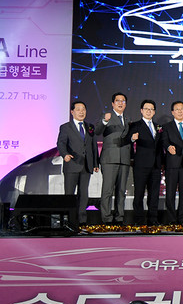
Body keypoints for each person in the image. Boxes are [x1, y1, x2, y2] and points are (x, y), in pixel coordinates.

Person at [57, 101, 99, 225]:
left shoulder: (90, 127)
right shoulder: (65, 127)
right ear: (72, 112)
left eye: (83, 109)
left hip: (86, 165)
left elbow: (93, 145)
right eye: (78, 109)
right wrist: (65, 154)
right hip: (72, 164)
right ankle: (68, 220)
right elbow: (61, 143)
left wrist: (95, 163)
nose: (81, 112)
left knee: (84, 194)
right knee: (69, 194)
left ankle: (82, 220)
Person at [95, 92, 131, 225]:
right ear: (112, 103)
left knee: (121, 191)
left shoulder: (127, 119)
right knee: (108, 190)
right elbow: (97, 131)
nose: (120, 103)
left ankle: (119, 217)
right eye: (118, 101)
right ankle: (106, 219)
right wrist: (104, 121)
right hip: (110, 159)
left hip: (124, 159)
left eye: (123, 101)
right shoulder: (106, 117)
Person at [126, 99, 163, 225]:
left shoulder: (158, 127)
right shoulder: (135, 125)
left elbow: (160, 146)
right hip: (141, 165)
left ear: (154, 112)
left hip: (156, 165)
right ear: (141, 111)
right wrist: (132, 138)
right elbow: (126, 140)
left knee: (154, 195)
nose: (149, 111)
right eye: (146, 109)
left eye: (151, 109)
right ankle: (139, 220)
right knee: (139, 193)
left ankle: (153, 219)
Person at [161, 101, 183, 225]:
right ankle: (171, 220)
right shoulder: (166, 127)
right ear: (172, 112)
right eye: (177, 109)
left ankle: (182, 219)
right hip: (172, 163)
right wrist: (168, 147)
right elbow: (164, 141)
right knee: (170, 193)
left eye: (182, 109)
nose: (180, 111)